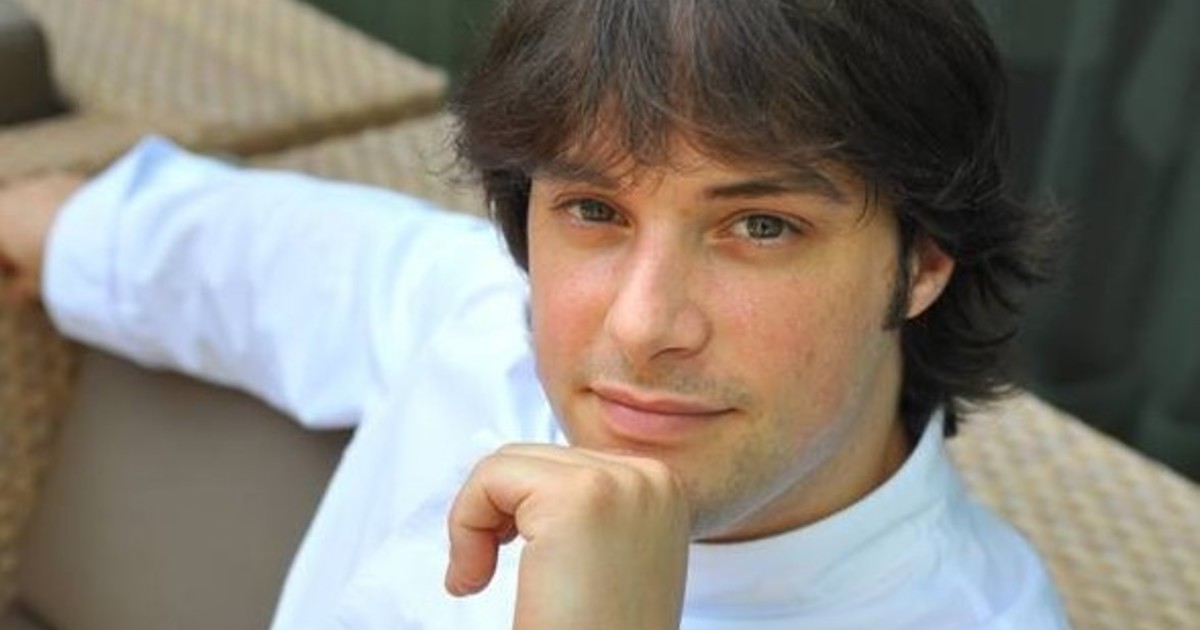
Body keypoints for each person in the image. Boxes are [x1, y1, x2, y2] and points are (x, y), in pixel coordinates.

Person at [0, 0, 1069, 628]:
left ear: (923, 264)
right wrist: (66, 229)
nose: (642, 325)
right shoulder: (477, 321)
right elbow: (263, 258)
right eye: (595, 211)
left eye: (761, 227)